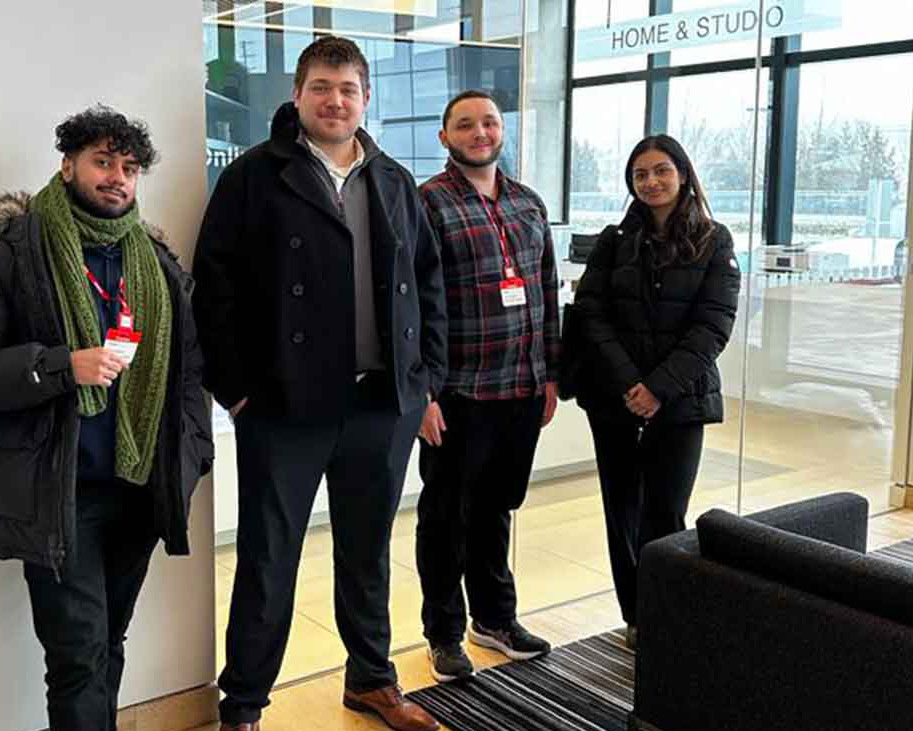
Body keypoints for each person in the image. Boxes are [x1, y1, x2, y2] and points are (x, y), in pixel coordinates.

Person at [0, 106, 214, 731]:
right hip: (61, 494)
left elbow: (189, 375)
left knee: (108, 643)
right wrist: (60, 366)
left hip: (138, 491)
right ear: (68, 166)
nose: (117, 177)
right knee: (78, 657)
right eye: (103, 161)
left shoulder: (155, 264)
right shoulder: (10, 258)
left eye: (129, 167)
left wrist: (192, 454)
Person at [192, 37, 447, 731]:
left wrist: (423, 380)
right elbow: (212, 288)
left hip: (380, 404)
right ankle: (242, 704)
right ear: (298, 96)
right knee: (268, 558)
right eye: (322, 87)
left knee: (367, 552)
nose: (335, 100)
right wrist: (235, 389)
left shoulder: (392, 178)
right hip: (283, 406)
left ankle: (371, 680)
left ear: (366, 99)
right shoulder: (254, 175)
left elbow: (427, 283)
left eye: (348, 88)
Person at [572, 134, 740, 649]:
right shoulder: (613, 240)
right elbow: (590, 315)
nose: (651, 182)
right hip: (615, 400)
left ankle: (668, 609)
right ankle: (638, 616)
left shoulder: (715, 240)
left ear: (683, 174)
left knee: (664, 512)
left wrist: (659, 387)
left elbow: (713, 326)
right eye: (641, 174)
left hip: (681, 400)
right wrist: (631, 384)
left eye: (661, 171)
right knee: (620, 512)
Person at [414, 90, 560, 683]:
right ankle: (444, 633)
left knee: (497, 508)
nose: (480, 132)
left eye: (490, 122)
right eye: (466, 124)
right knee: (446, 516)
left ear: (503, 132)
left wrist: (551, 373)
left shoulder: (528, 202)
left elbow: (548, 291)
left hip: (521, 387)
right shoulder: (427, 203)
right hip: (457, 393)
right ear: (445, 136)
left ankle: (495, 619)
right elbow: (412, 302)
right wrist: (421, 392)